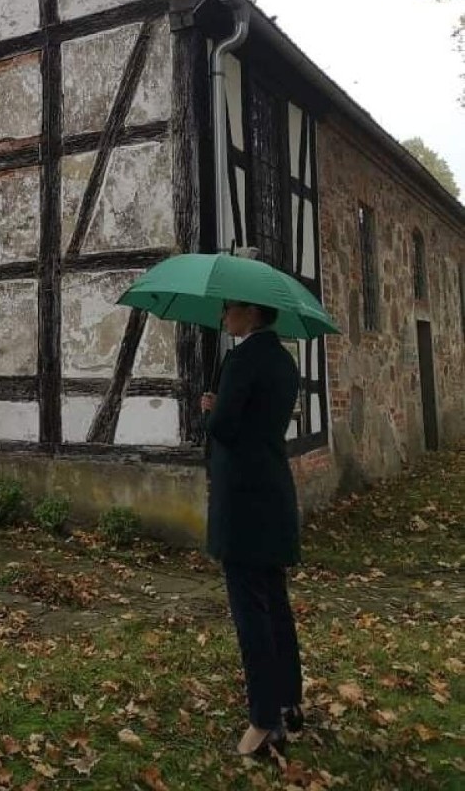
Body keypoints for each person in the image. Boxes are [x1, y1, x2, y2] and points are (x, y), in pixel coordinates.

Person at [201, 300, 303, 758]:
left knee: (250, 611)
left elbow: (224, 427)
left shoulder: (241, 359)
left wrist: (213, 408)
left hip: (241, 500)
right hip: (273, 493)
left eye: (229, 310)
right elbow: (262, 419)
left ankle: (264, 722)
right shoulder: (284, 360)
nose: (224, 317)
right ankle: (288, 699)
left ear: (250, 312)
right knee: (275, 602)